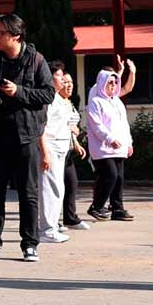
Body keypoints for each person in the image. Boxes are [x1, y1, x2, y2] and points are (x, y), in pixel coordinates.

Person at [0, 14, 54, 262]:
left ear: (16, 35)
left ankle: (29, 244)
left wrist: (19, 91)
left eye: (0, 32)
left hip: (27, 136)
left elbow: (48, 94)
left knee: (28, 193)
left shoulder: (36, 60)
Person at [86, 67, 134, 221]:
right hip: (102, 148)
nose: (113, 85)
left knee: (119, 178)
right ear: (102, 83)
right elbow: (96, 125)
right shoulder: (95, 101)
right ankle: (97, 206)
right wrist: (109, 139)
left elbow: (124, 125)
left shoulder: (117, 102)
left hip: (119, 148)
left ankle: (117, 208)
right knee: (110, 175)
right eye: (109, 82)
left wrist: (129, 143)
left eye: (115, 82)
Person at [37, 61, 73, 245]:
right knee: (49, 190)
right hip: (49, 147)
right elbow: (40, 128)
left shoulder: (59, 98)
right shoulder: (47, 98)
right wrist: (44, 153)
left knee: (58, 188)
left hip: (60, 148)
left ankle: (52, 225)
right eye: (59, 75)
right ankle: (47, 230)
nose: (63, 79)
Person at [59, 73, 89, 231]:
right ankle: (54, 221)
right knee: (56, 187)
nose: (69, 85)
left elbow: (72, 128)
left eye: (71, 82)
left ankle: (70, 218)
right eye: (64, 82)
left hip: (68, 149)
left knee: (71, 183)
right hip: (57, 149)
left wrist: (75, 141)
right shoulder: (54, 102)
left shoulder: (68, 102)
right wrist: (72, 133)